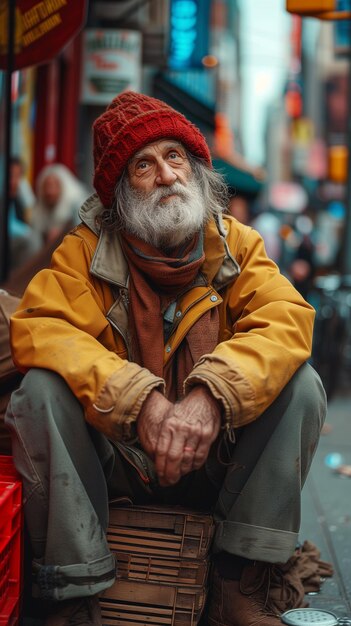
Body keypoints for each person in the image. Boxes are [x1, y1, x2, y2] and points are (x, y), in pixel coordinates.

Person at [5, 92, 327, 626]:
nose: (166, 175)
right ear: (120, 195)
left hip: (218, 461)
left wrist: (211, 396)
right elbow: (43, 328)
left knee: (301, 385)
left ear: (196, 170)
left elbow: (287, 319)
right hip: (119, 462)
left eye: (175, 157)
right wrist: (141, 403)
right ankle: (76, 591)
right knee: (39, 390)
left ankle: (239, 582)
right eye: (143, 165)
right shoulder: (82, 255)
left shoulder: (237, 246)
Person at [32, 163, 89, 244]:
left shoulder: (77, 207)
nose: (49, 192)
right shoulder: (41, 210)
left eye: (54, 186)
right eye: (46, 186)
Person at [8, 157, 41, 270]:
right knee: (31, 240)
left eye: (18, 177)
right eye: (11, 176)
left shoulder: (17, 198)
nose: (14, 182)